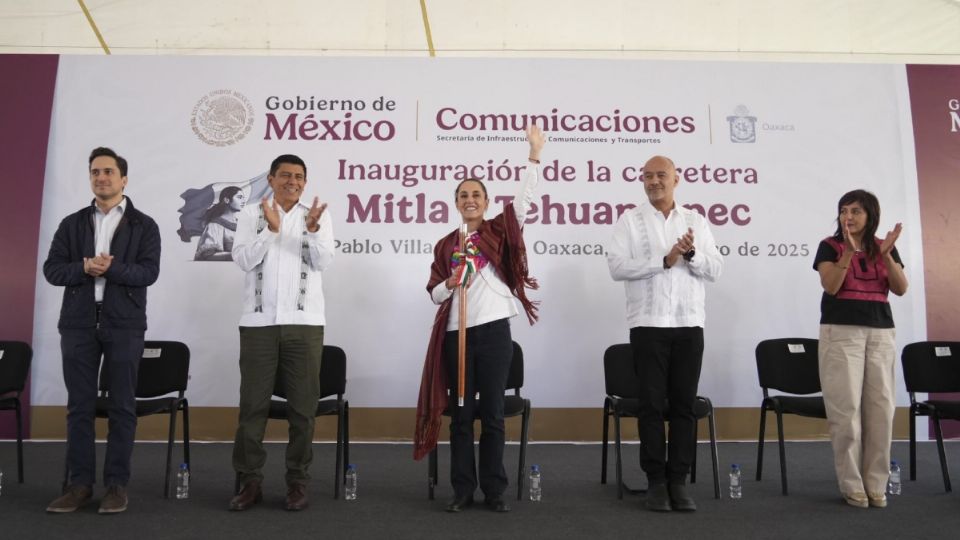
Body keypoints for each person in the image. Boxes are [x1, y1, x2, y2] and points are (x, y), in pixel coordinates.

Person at [414, 125, 545, 513]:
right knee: (461, 417)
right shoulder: (446, 245)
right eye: (463, 195)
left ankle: (494, 490)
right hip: (458, 336)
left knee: (491, 414)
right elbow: (434, 292)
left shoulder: (498, 231)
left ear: (486, 201)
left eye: (476, 195)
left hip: (494, 333)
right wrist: (451, 283)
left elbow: (522, 203)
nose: (470, 200)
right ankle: (462, 489)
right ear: (456, 203)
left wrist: (534, 155)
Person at [43, 147, 161, 514]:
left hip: (124, 324)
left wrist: (111, 269)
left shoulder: (144, 225)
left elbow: (148, 273)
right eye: (95, 172)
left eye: (109, 171)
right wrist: (83, 267)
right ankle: (78, 486)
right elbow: (52, 270)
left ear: (124, 179)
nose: (101, 177)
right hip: (78, 324)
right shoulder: (72, 223)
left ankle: (116, 486)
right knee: (79, 407)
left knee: (122, 407)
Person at [606, 155, 723, 512]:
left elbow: (716, 268)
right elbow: (616, 266)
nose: (654, 181)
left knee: (684, 407)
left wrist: (690, 255)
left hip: (689, 324)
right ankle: (656, 481)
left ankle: (679, 481)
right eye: (648, 176)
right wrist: (664, 259)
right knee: (652, 407)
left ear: (677, 178)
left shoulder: (695, 221)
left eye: (661, 175)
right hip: (648, 325)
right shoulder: (630, 220)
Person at [228, 154, 334, 512]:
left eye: (299, 176)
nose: (293, 181)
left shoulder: (316, 215)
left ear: (305, 182)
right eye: (285, 175)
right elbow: (243, 259)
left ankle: (298, 483)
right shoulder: (249, 214)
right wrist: (270, 231)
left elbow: (322, 262)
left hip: (304, 325)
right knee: (252, 408)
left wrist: (314, 230)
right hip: (258, 324)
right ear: (271, 179)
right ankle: (250, 482)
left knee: (303, 410)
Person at [814, 189, 907, 509]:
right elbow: (831, 286)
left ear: (870, 216)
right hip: (842, 334)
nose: (848, 217)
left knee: (881, 410)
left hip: (881, 334)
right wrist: (848, 255)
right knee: (847, 412)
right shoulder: (831, 245)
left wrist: (886, 255)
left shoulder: (885, 247)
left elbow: (900, 288)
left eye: (855, 211)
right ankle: (852, 484)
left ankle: (876, 484)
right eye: (843, 211)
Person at [194, 186, 246, 261]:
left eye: (243, 198)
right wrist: (239, 255)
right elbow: (208, 255)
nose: (244, 201)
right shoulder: (215, 225)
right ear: (227, 200)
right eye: (239, 197)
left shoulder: (243, 224)